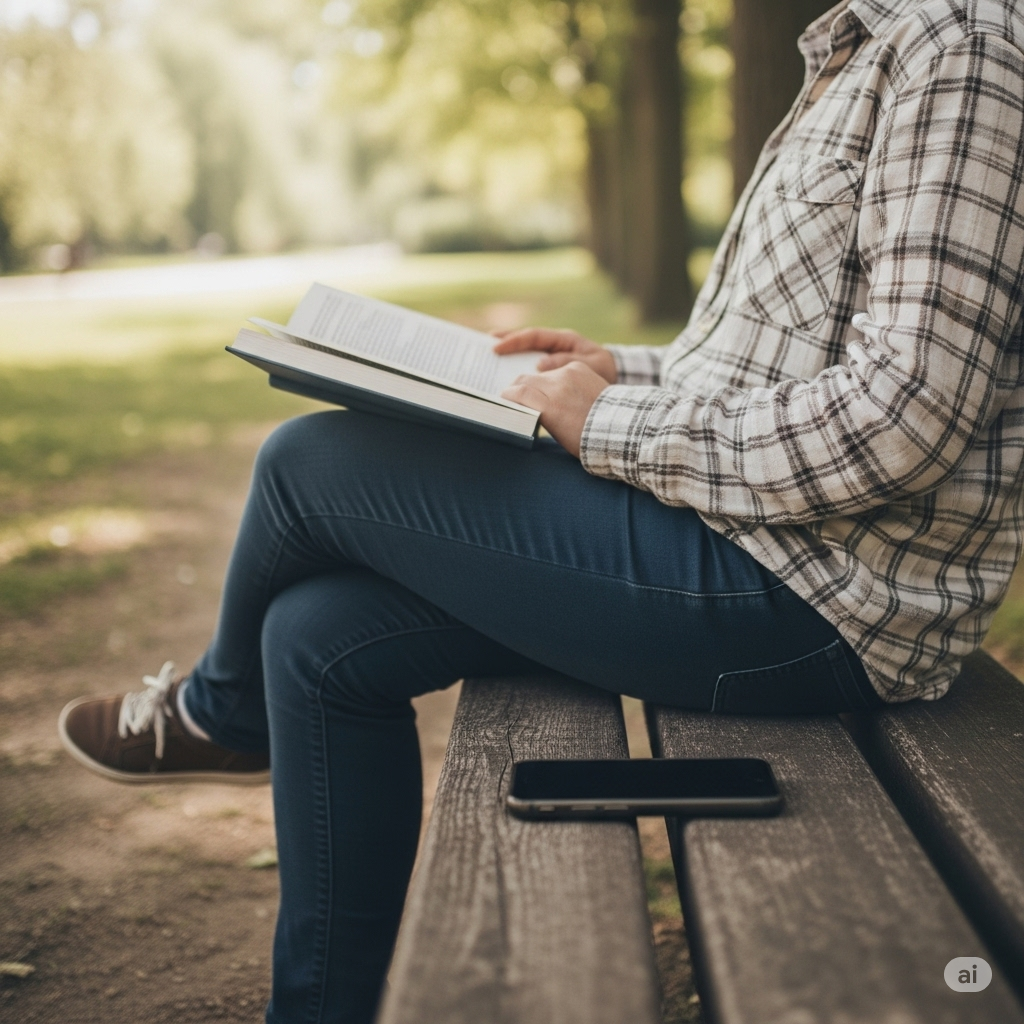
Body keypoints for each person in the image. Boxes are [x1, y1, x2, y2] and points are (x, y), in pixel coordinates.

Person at [58, 0, 1024, 1021]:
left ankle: (220, 713)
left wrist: (608, 423)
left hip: (818, 597)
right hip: (751, 537)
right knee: (315, 635)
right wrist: (619, 372)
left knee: (308, 462)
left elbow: (901, 420)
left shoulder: (956, 49)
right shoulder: (857, 50)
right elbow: (773, 360)